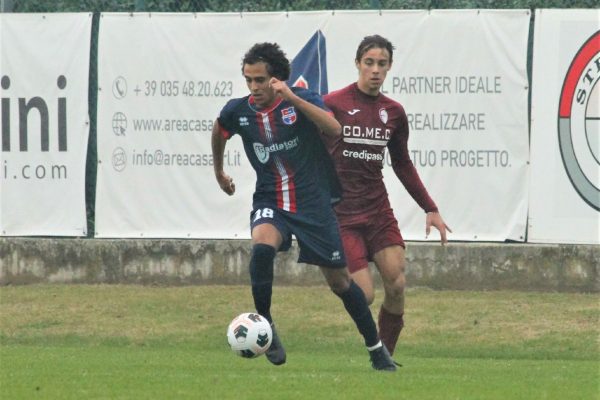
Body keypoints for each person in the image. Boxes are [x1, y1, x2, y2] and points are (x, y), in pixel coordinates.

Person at [211, 42, 397, 371]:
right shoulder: (238, 111)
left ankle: (376, 349)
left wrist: (292, 97)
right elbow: (220, 130)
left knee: (340, 283)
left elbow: (334, 128)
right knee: (262, 248)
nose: (253, 88)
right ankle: (266, 326)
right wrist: (219, 171)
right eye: (248, 80)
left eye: (260, 80)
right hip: (271, 199)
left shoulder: (300, 101)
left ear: (276, 80)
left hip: (313, 204)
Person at [323, 35, 451, 356]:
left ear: (390, 66)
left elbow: (402, 163)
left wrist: (430, 208)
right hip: (343, 215)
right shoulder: (333, 104)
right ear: (357, 63)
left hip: (378, 211)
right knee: (363, 295)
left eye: (382, 64)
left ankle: (385, 358)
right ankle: (335, 275)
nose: (375, 70)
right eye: (369, 63)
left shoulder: (393, 112)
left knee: (396, 284)